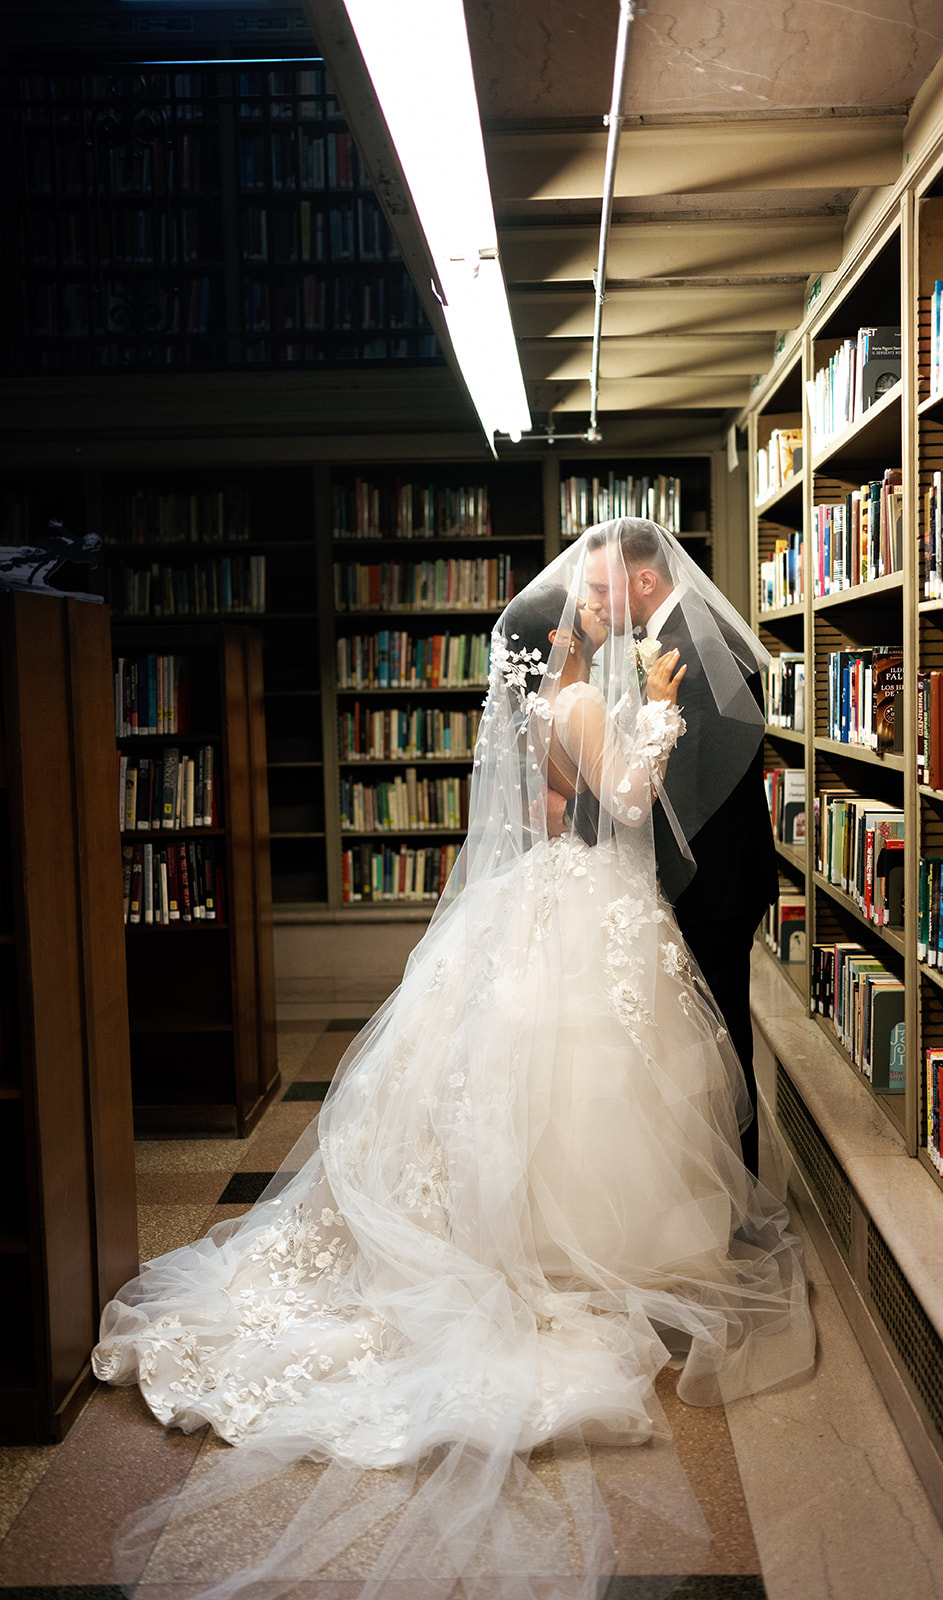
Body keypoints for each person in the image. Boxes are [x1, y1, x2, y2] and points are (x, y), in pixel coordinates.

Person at [92, 523, 813, 1600]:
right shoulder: (574, 698)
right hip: (592, 908)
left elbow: (553, 808)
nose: (604, 621)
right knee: (604, 1089)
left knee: (548, 1085)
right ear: (566, 635)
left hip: (551, 900)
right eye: (592, 618)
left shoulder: (538, 704)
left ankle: (555, 1239)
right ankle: (596, 1251)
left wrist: (626, 723)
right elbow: (620, 801)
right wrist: (656, 704)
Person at [581, 519, 780, 1177]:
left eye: (605, 590)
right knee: (703, 1045)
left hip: (711, 881)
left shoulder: (693, 642)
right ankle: (715, 1183)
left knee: (719, 1043)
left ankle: (735, 1191)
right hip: (706, 874)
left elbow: (692, 785)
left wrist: (616, 842)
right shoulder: (670, 633)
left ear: (643, 579)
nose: (598, 606)